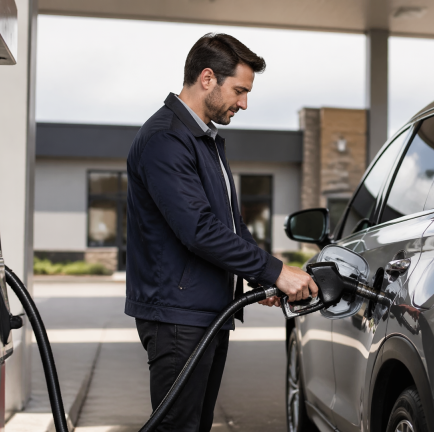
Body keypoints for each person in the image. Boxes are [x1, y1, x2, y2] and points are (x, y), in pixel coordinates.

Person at [125, 33, 318, 432]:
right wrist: (274, 271)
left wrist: (260, 274)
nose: (244, 103)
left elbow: (231, 226)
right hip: (179, 316)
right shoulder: (166, 139)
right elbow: (197, 229)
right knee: (177, 427)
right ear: (208, 78)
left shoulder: (204, 141)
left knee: (195, 426)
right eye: (240, 90)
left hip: (204, 311)